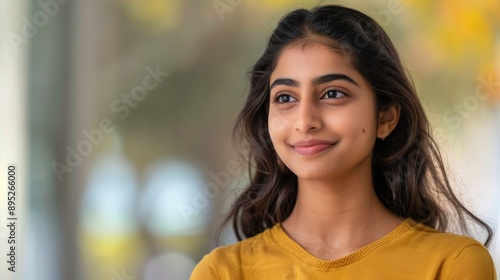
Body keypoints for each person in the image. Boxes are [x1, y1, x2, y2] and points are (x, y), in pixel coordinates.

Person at [191, 4, 497, 279]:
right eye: (285, 98)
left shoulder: (453, 265)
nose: (304, 120)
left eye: (332, 94)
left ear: (385, 117)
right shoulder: (223, 272)